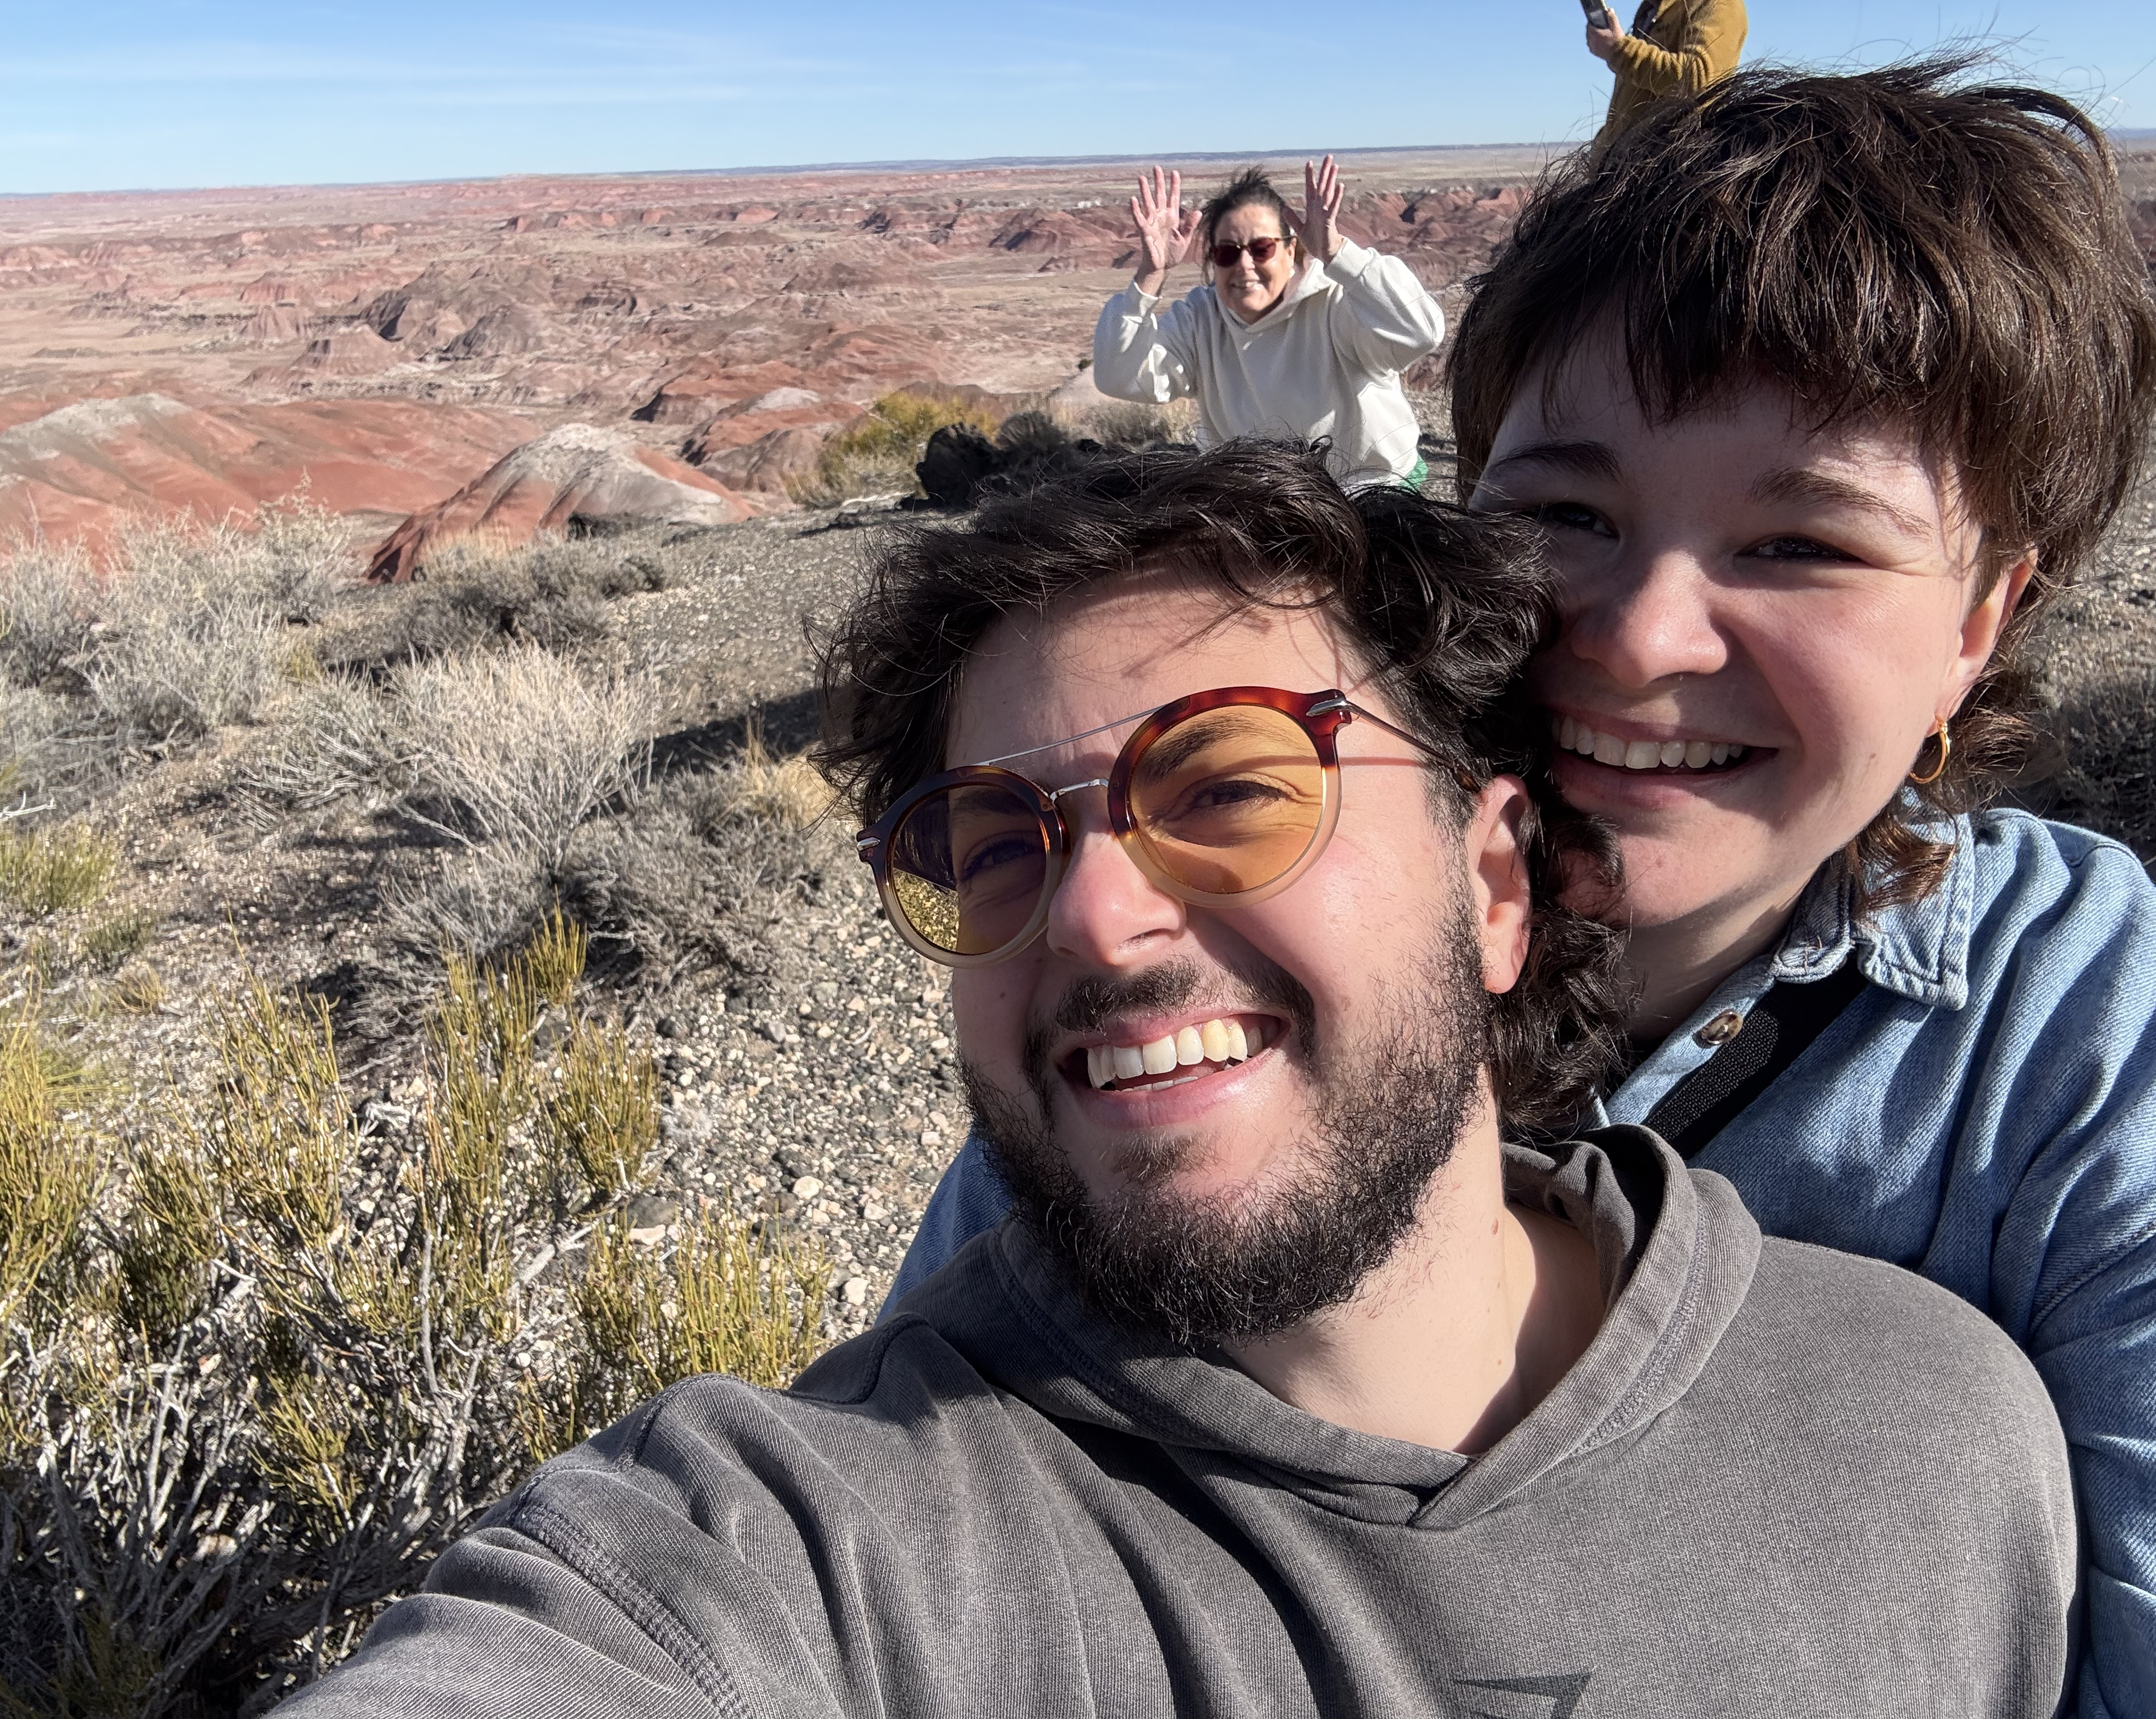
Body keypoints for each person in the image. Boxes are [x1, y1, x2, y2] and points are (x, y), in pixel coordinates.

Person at [273, 444, 2078, 1717]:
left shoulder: (1940, 1439)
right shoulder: (831, 1547)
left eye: (1230, 789)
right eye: (995, 843)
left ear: (1497, 881)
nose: (1101, 917)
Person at [891, 60, 2156, 1717]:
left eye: (1802, 545)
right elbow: (902, 1464)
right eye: (1567, 512)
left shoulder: (2072, 1018)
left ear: (1982, 621)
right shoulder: (1225, 937)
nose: (1639, 638)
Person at [1090, 160, 1444, 485]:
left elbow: (1420, 332)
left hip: (1369, 493)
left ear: (1291, 251)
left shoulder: (1338, 302)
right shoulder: (1202, 317)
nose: (1244, 265)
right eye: (1227, 252)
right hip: (1260, 506)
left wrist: (1339, 253)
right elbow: (1121, 376)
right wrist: (1151, 275)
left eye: (1261, 249)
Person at [1586, 0, 1747, 146]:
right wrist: (1603, 147)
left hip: (1670, 169)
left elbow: (1701, 79)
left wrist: (1619, 51)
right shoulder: (1652, 10)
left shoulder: (1720, 4)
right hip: (1629, 168)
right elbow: (1636, 102)